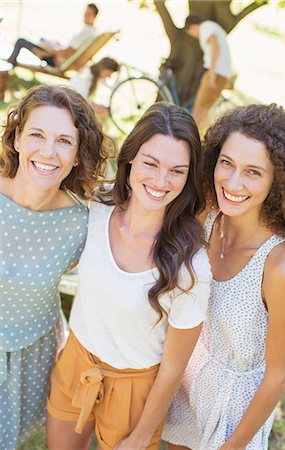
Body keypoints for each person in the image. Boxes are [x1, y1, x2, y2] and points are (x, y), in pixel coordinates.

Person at [46, 101, 212, 450]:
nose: (160, 181)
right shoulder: (94, 212)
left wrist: (139, 436)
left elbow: (173, 369)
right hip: (76, 360)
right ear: (131, 158)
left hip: (136, 389)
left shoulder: (190, 264)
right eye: (150, 163)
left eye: (177, 171)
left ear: (189, 176)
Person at [162, 103, 285, 450]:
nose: (233, 182)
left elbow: (278, 376)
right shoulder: (207, 216)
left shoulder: (282, 267)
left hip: (234, 413)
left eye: (253, 172)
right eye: (227, 163)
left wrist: (231, 446)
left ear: (277, 179)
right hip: (184, 385)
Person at [0, 84, 109, 449]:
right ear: (16, 139)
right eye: (37, 135)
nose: (48, 152)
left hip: (30, 354)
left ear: (78, 155)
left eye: (64, 141)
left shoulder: (81, 224)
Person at [6, 3, 99, 68]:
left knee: (21, 41)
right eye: (85, 13)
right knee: (43, 39)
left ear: (94, 17)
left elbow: (66, 53)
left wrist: (47, 52)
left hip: (55, 60)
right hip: (58, 54)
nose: (84, 16)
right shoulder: (92, 31)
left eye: (88, 14)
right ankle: (10, 62)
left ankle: (9, 64)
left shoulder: (86, 33)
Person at [184, 14, 232, 136]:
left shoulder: (205, 27)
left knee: (199, 111)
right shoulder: (212, 26)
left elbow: (215, 46)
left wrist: (212, 73)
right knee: (204, 112)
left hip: (216, 73)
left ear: (191, 27)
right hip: (221, 73)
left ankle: (192, 140)